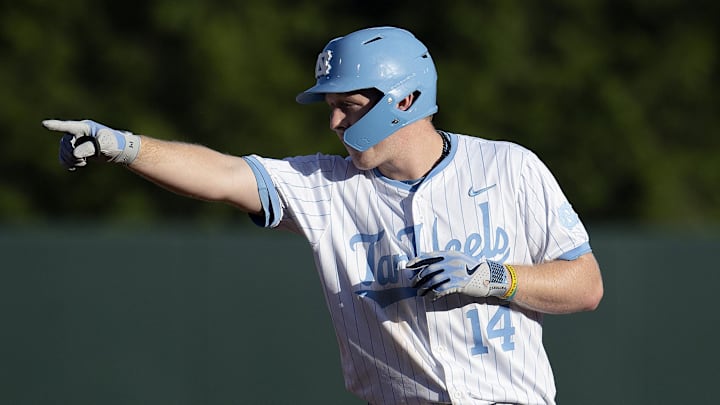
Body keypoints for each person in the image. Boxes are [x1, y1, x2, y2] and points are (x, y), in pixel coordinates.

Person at [44, 26, 603, 405]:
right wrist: (127, 146)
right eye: (331, 106)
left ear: (405, 100)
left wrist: (497, 278)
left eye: (349, 106)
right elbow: (223, 177)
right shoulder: (326, 186)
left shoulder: (509, 165)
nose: (333, 121)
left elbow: (585, 285)